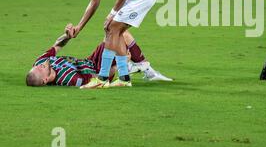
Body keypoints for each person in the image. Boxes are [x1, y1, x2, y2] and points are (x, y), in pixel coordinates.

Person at [67, 0, 158, 89]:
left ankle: (102, 79)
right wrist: (79, 26)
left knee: (112, 28)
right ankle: (124, 78)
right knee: (115, 31)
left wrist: (113, 12)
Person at [26, 29, 172, 88]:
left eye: (36, 66)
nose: (39, 65)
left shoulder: (41, 61)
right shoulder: (69, 79)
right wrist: (119, 65)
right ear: (45, 80)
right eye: (39, 70)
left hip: (91, 60)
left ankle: (143, 69)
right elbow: (98, 79)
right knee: (122, 34)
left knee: (114, 31)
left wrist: (67, 36)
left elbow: (56, 46)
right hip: (100, 68)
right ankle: (144, 71)